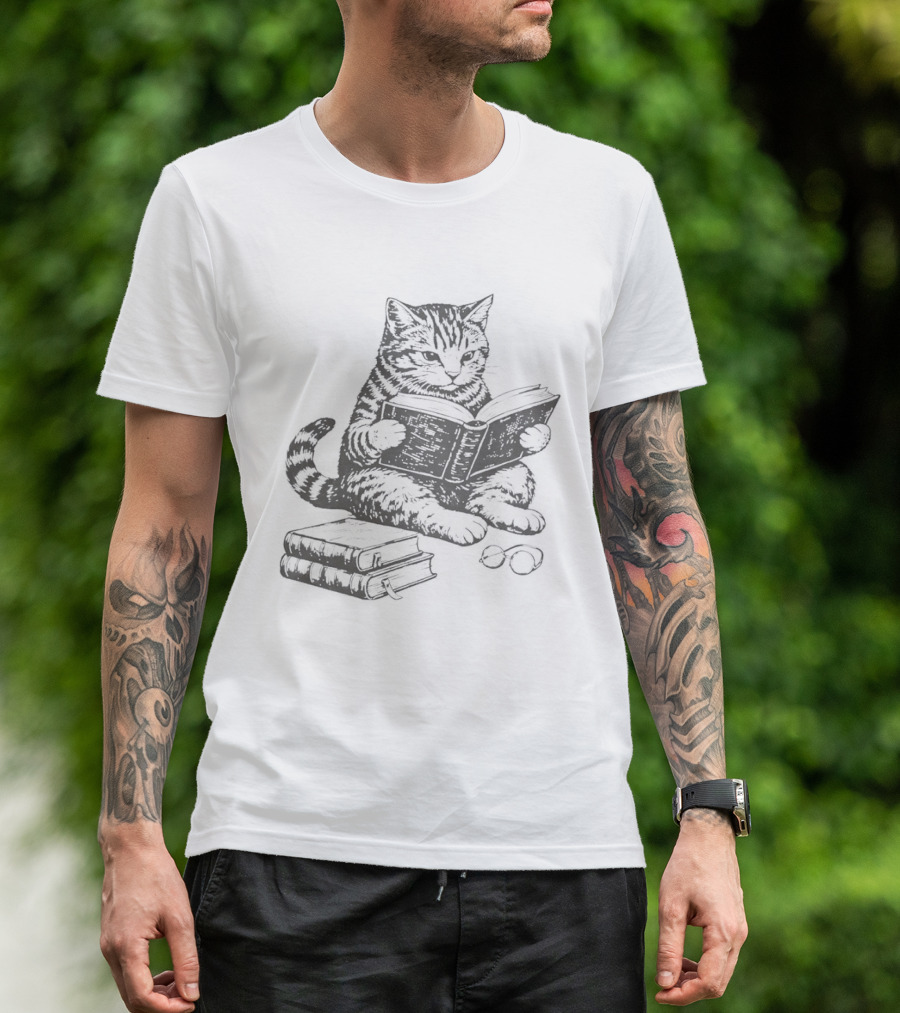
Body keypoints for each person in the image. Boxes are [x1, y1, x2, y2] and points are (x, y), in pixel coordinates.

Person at [97, 1, 748, 1010]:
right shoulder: (212, 201)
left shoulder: (607, 197)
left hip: (561, 847)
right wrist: (131, 833)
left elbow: (653, 520)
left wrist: (707, 808)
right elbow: (162, 528)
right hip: (290, 847)